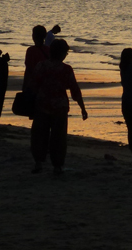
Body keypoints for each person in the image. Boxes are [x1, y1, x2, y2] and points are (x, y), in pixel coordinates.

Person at [30, 39, 87, 175]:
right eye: (66, 53)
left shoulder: (41, 66)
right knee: (59, 138)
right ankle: (57, 166)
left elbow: (33, 85)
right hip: (59, 107)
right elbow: (75, 90)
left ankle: (38, 163)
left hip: (42, 104)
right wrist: (82, 108)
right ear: (61, 53)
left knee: (39, 135)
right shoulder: (65, 69)